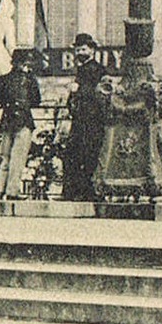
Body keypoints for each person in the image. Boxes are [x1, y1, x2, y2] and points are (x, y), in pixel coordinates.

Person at [62, 34, 105, 202]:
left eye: (84, 49)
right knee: (74, 153)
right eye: (78, 49)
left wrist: (77, 89)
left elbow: (98, 92)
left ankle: (85, 192)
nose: (80, 52)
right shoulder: (81, 69)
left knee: (87, 154)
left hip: (92, 119)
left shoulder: (97, 69)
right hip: (80, 118)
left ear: (92, 50)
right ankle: (74, 192)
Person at [0, 48, 41, 200]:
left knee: (5, 156)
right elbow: (36, 101)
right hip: (23, 121)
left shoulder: (2, 80)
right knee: (18, 157)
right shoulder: (29, 80)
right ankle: (12, 191)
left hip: (7, 120)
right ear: (24, 63)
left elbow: (1, 101)